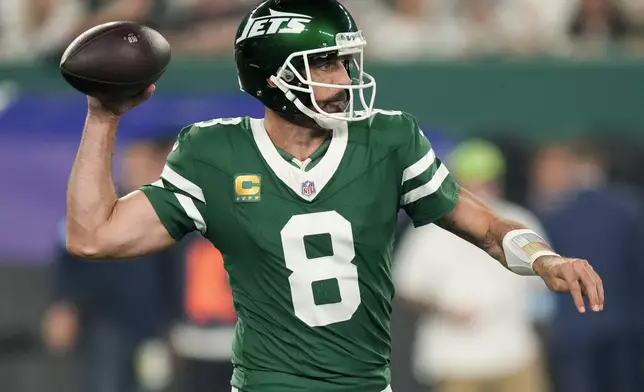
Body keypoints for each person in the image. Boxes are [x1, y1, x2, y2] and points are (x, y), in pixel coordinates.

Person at [64, 1, 604, 391]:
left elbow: (486, 226)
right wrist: (102, 117)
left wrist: (543, 257)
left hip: (367, 384)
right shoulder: (214, 153)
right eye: (323, 63)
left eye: (345, 61)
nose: (344, 76)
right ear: (272, 77)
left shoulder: (387, 139)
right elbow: (94, 236)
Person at [394, 139, 551, 392]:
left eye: (487, 180)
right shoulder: (429, 230)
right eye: (472, 181)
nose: (481, 189)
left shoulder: (520, 221)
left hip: (515, 355)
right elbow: (406, 288)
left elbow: (543, 286)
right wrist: (444, 309)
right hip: (454, 361)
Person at [43, 136, 179, 392]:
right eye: (131, 161)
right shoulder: (99, 210)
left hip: (150, 328)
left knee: (151, 384)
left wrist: (173, 325)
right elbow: (69, 260)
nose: (136, 168)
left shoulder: (164, 216)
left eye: (144, 162)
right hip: (105, 322)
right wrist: (63, 305)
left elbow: (172, 276)